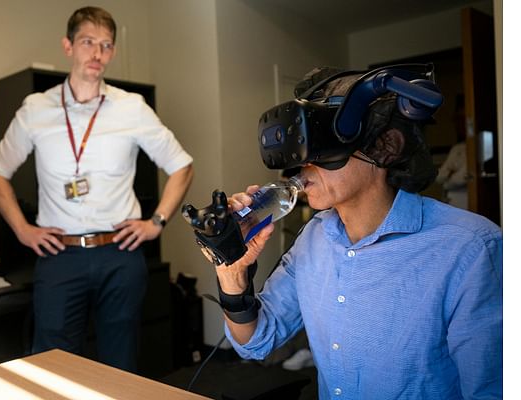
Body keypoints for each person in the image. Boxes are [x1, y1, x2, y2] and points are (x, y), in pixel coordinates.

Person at [211, 68, 501, 398]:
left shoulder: (469, 249)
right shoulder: (313, 239)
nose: (303, 168)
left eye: (319, 150)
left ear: (385, 147)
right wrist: (232, 274)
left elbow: (491, 390)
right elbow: (256, 341)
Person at [0, 6, 193, 372]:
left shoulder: (132, 108)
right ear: (68, 46)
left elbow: (182, 165)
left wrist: (156, 222)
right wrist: (22, 229)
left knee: (120, 363)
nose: (97, 54)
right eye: (88, 42)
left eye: (106, 45)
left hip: (119, 254)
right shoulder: (36, 109)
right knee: (52, 364)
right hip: (59, 255)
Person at [436, 94, 468, 209]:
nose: (458, 124)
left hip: (465, 202)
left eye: (461, 119)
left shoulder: (473, 150)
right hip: (450, 201)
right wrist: (448, 173)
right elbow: (439, 176)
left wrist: (449, 176)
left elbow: (463, 177)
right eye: (456, 119)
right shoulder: (457, 148)